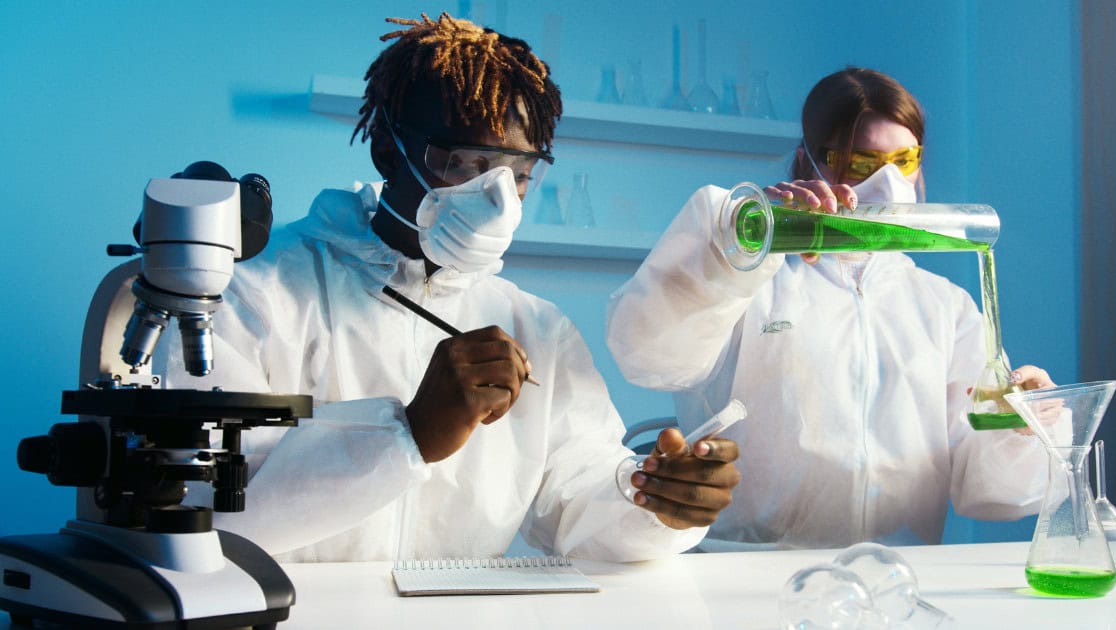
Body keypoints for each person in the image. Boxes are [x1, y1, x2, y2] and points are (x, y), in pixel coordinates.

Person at [161, 13, 739, 563]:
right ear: (388, 149)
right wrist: (407, 435)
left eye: (518, 175)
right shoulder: (256, 291)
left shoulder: (536, 327)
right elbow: (208, 500)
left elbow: (578, 495)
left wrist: (655, 500)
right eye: (465, 164)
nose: (498, 200)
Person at [606, 67, 1054, 550]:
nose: (887, 182)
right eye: (861, 163)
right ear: (808, 162)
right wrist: (740, 247)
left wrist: (1023, 423)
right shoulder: (750, 275)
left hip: (897, 582)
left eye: (904, 160)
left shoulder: (944, 306)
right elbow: (647, 357)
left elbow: (990, 492)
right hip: (749, 579)